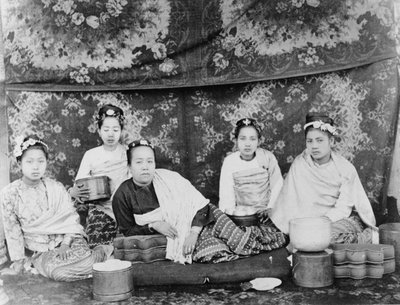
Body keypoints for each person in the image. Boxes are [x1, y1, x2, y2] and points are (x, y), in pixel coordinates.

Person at [112, 139, 287, 264]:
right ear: (129, 166)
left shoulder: (169, 178)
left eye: (150, 161)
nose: (145, 167)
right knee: (212, 253)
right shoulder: (123, 195)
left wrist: (194, 233)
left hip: (204, 218)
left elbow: (201, 205)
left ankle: (275, 236)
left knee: (240, 242)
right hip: (178, 234)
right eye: (139, 162)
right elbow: (128, 231)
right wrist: (153, 225)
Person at [0, 135, 109, 281]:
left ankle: (100, 252)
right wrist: (18, 263)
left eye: (40, 161)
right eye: (29, 161)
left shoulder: (55, 188)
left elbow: (71, 221)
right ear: (19, 163)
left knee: (83, 261)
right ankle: (99, 259)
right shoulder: (9, 193)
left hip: (68, 241)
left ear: (46, 162)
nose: (35, 166)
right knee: (59, 273)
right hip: (40, 251)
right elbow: (12, 231)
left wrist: (65, 244)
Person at [270, 113, 378, 244]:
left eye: (319, 140)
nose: (314, 146)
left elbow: (343, 207)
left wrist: (321, 222)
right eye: (310, 141)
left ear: (331, 141)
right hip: (306, 222)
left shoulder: (345, 168)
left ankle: (367, 237)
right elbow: (290, 202)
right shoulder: (300, 163)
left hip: (337, 220)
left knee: (325, 237)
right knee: (298, 237)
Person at [69, 104, 131, 248]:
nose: (110, 134)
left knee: (128, 244)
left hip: (125, 206)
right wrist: (77, 191)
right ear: (99, 130)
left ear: (121, 131)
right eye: (106, 129)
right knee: (97, 246)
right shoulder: (91, 155)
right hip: (101, 207)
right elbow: (79, 183)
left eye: (115, 130)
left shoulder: (127, 152)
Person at [219, 118, 283, 216]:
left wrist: (270, 210)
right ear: (236, 140)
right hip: (241, 215)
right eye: (242, 138)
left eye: (252, 139)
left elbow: (277, 187)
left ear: (259, 141)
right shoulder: (230, 161)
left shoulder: (268, 157)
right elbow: (226, 197)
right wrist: (233, 215)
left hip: (266, 214)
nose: (247, 144)